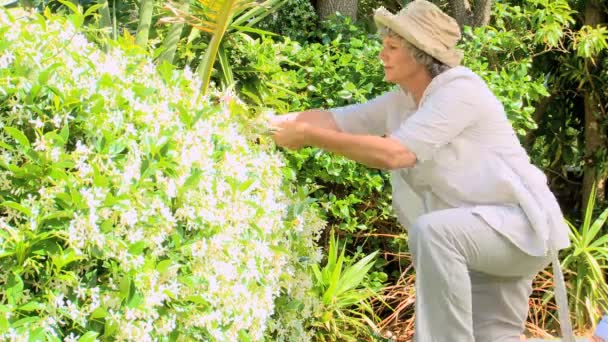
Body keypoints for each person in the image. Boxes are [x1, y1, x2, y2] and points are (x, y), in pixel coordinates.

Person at [269, 1, 573, 341]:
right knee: (495, 335)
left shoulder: (460, 91)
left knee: (434, 232)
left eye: (392, 47)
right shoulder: (403, 101)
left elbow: (396, 154)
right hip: (476, 234)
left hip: (517, 229)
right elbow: (334, 120)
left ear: (420, 55)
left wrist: (308, 137)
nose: (382, 53)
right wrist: (262, 124)